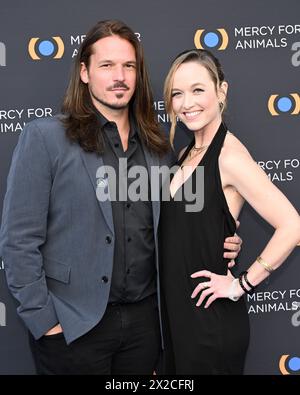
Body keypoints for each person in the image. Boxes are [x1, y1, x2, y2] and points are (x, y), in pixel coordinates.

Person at [0, 21, 242, 375]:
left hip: (147, 328)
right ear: (84, 72)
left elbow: (181, 222)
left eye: (129, 66)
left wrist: (227, 235)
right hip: (73, 328)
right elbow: (18, 241)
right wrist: (46, 324)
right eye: (107, 66)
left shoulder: (159, 147)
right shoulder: (45, 138)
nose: (120, 76)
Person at [159, 49, 300, 375]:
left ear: (221, 91)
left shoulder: (229, 157)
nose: (187, 103)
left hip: (211, 325)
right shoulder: (184, 153)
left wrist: (241, 285)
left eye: (198, 90)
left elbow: (292, 225)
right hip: (180, 322)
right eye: (177, 93)